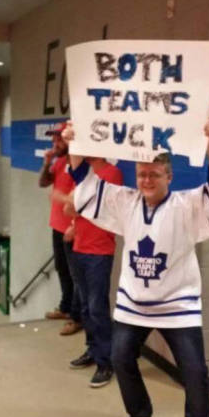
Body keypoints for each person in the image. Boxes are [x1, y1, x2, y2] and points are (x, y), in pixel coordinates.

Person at [62, 115, 209, 417]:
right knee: (120, 357)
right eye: (142, 174)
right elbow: (83, 180)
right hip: (134, 302)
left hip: (178, 304)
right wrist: (74, 143)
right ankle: (139, 414)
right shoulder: (125, 202)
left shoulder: (187, 205)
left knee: (194, 370)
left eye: (155, 174)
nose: (146, 180)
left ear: (169, 177)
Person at [64, 157, 123, 388]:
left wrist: (76, 206)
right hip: (80, 245)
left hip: (99, 250)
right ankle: (93, 349)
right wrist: (75, 213)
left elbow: (85, 206)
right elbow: (70, 207)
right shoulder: (85, 175)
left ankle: (105, 362)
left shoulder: (111, 173)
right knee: (86, 307)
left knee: (97, 308)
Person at [39, 122, 82, 336]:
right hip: (57, 225)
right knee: (62, 269)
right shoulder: (59, 161)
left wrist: (63, 198)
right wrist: (47, 162)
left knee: (76, 275)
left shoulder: (78, 163)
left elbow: (83, 196)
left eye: (59, 138)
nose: (55, 142)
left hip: (72, 229)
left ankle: (76, 317)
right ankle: (65, 307)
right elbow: (43, 182)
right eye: (54, 138)